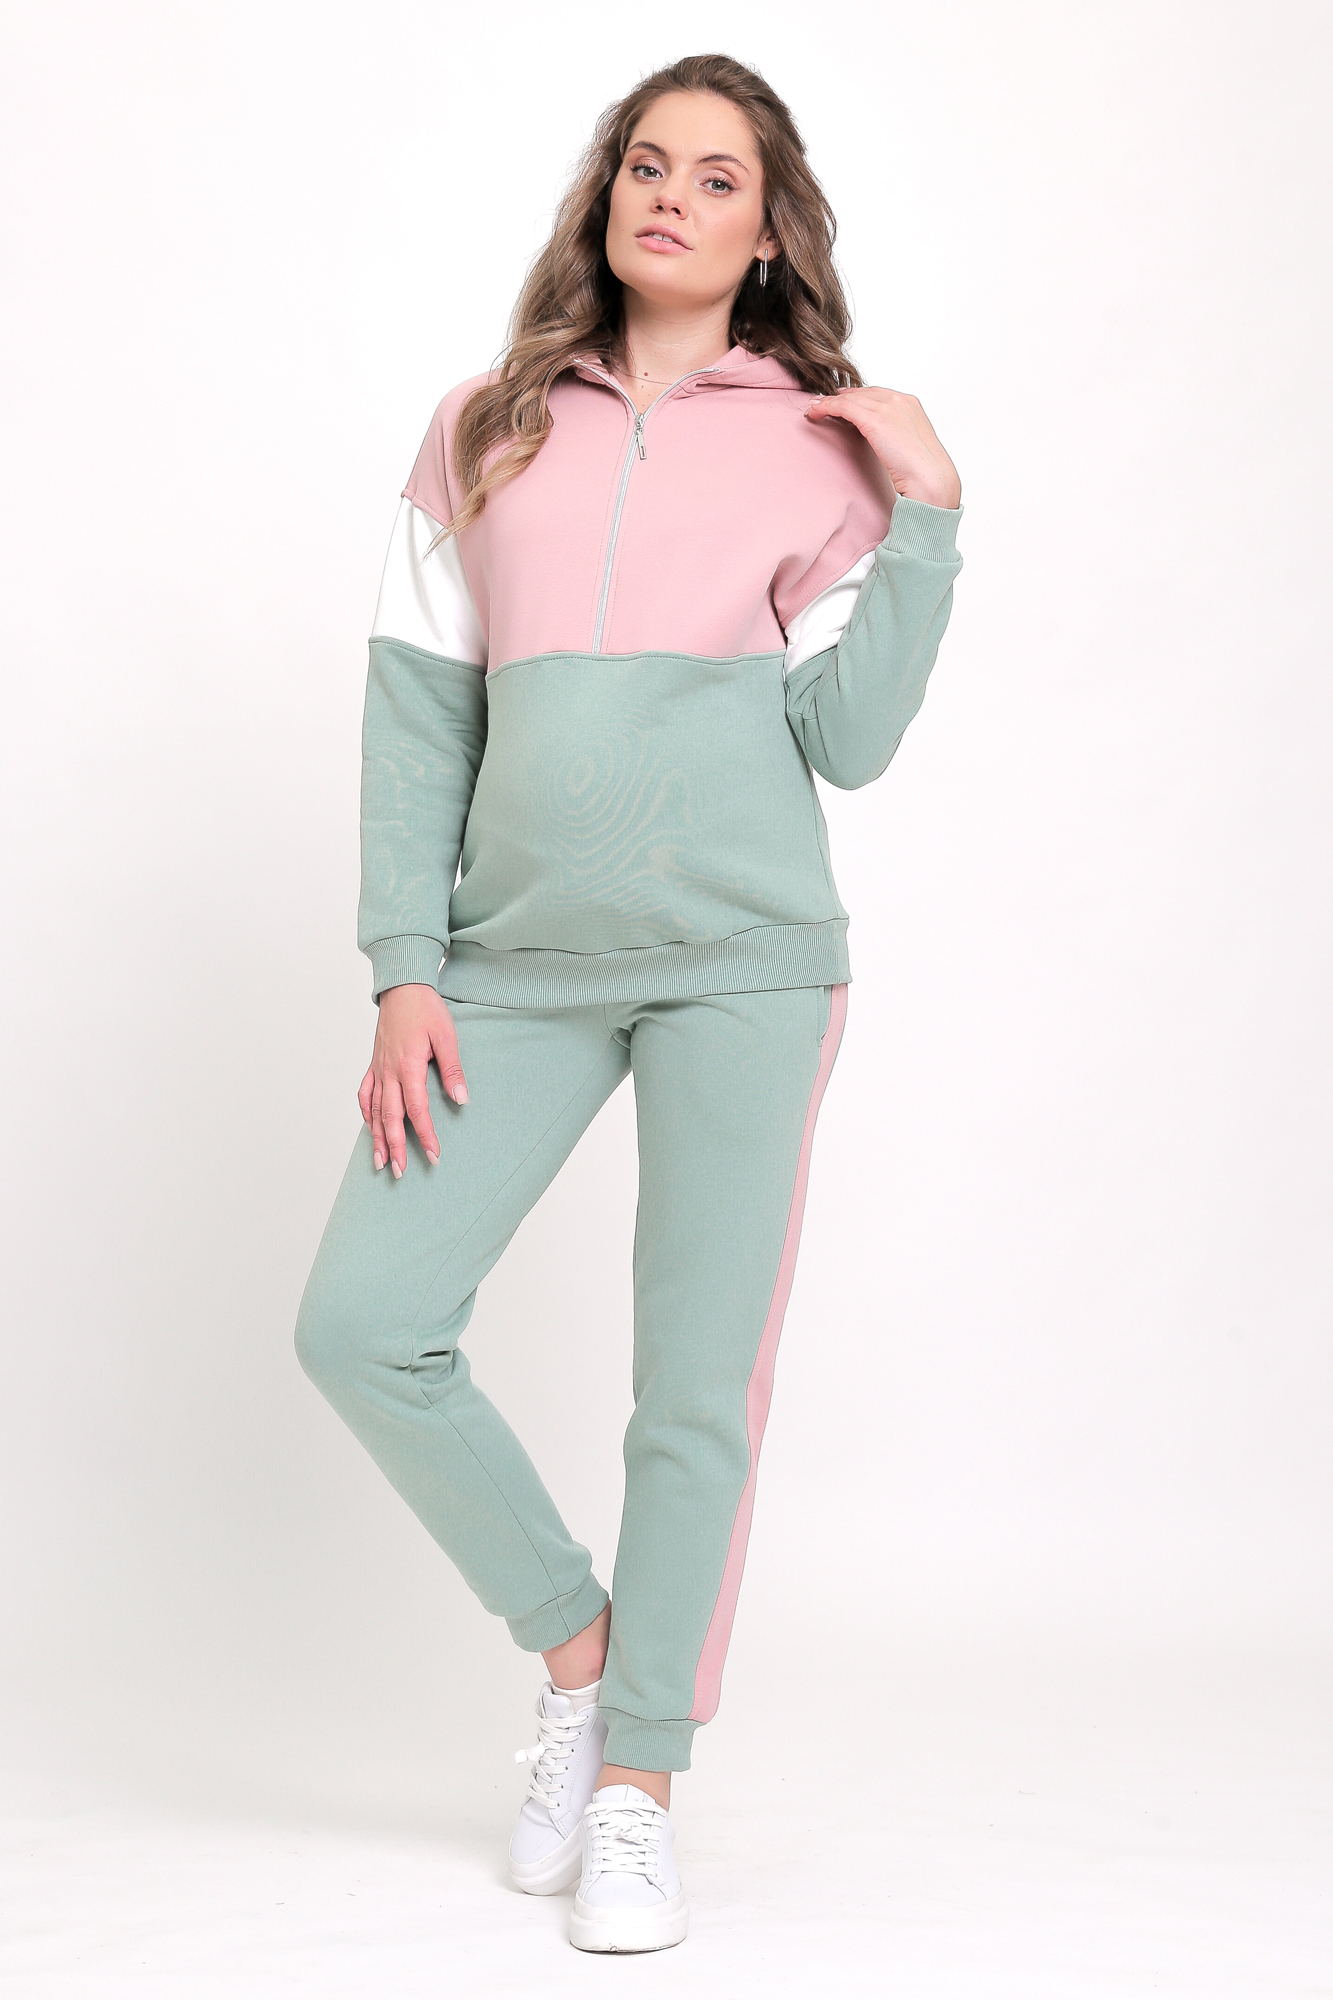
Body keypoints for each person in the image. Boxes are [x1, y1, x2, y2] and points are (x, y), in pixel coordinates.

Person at [294, 51, 962, 1955]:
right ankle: (581, 1654)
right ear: (606, 198)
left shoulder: (820, 448)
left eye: (717, 178)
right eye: (645, 165)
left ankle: (637, 1785)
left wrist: (925, 514)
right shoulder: (484, 427)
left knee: (691, 1393)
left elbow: (850, 738)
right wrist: (404, 968)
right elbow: (416, 721)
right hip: (510, 969)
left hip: (744, 962)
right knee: (364, 1324)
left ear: (768, 233)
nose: (671, 196)